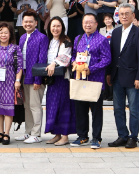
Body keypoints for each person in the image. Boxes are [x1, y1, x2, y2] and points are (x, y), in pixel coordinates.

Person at [106, 3, 139, 149]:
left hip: (133, 77)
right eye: (121, 14)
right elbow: (113, 55)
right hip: (117, 76)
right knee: (118, 109)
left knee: (134, 109)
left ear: (133, 15)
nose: (124, 16)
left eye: (127, 13)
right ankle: (122, 135)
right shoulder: (116, 33)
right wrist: (109, 73)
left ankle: (133, 137)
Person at [70, 14, 111, 149]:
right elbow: (73, 55)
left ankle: (96, 138)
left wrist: (91, 69)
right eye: (85, 22)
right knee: (80, 109)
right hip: (79, 79)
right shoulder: (78, 38)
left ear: (96, 24)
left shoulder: (102, 40)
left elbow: (106, 59)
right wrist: (74, 62)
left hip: (95, 80)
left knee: (96, 111)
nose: (88, 25)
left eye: (90, 22)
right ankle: (82, 136)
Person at [16, 10, 48, 144]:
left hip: (35, 77)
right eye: (25, 22)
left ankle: (36, 134)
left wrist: (38, 79)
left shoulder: (42, 37)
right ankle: (28, 132)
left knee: (35, 105)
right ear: (22, 23)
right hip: (24, 76)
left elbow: (42, 59)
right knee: (27, 106)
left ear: (36, 23)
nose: (28, 24)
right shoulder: (22, 37)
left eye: (30, 21)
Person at [0, 22, 23, 146]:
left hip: (9, 81)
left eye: (6, 32)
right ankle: (0, 132)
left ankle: (7, 133)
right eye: (1, 32)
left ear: (10, 34)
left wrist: (17, 81)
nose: (3, 35)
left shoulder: (15, 48)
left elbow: (19, 66)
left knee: (8, 107)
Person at [44, 16, 76, 146]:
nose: (55, 28)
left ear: (62, 27)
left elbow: (65, 56)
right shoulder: (50, 41)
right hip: (52, 80)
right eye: (53, 26)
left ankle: (65, 135)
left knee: (63, 106)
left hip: (63, 80)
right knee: (53, 106)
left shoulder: (66, 40)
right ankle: (56, 134)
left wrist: (53, 64)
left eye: (58, 26)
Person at [99, 14, 116, 101]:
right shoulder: (101, 30)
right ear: (104, 21)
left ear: (112, 20)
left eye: (109, 19)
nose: (108, 21)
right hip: (103, 54)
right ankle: (105, 94)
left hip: (113, 53)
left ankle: (112, 94)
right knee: (104, 74)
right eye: (106, 19)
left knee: (112, 74)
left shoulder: (116, 29)